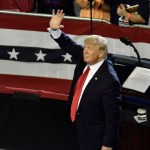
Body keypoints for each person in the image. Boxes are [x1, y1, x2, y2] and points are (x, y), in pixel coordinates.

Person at [48, 10, 121, 150]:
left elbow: (113, 119)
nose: (85, 51)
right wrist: (54, 29)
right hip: (76, 126)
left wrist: (107, 145)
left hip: (95, 138)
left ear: (100, 53)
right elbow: (68, 44)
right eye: (85, 47)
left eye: (90, 48)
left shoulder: (110, 80)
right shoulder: (85, 58)